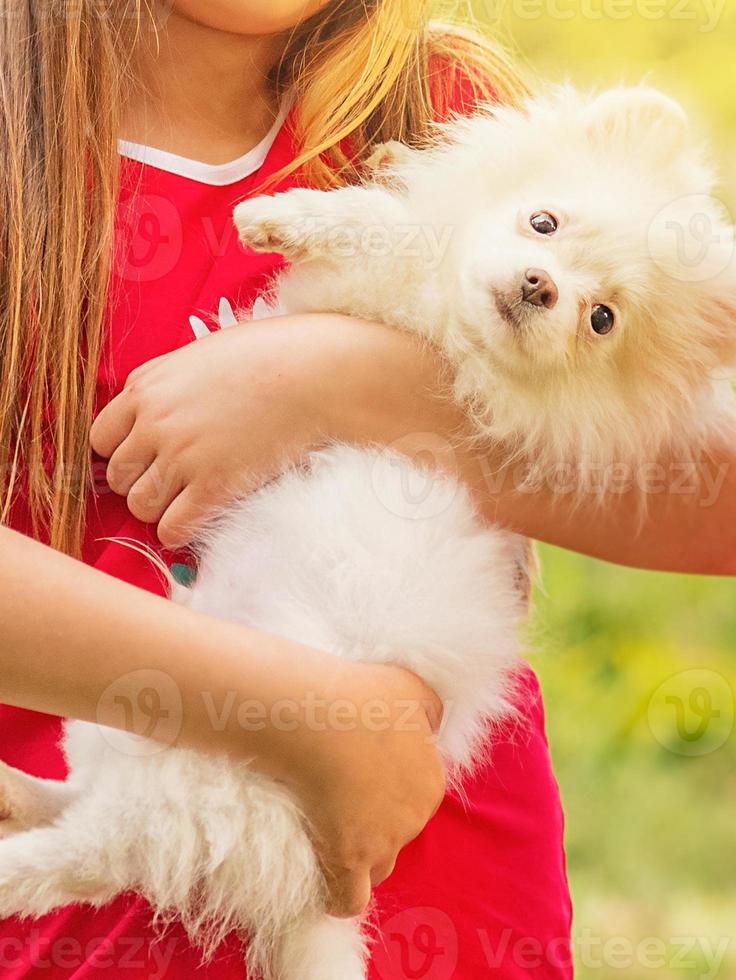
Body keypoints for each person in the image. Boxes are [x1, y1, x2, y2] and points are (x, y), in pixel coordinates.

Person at [0, 2, 733, 977]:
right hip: (85, 922)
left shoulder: (437, 112)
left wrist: (351, 383)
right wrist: (311, 719)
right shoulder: (24, 143)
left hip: (455, 913)